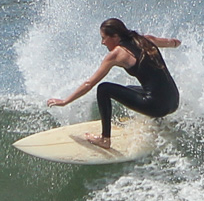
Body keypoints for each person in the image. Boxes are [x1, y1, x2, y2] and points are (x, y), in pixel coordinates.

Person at [47, 19, 180, 147]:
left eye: (104, 38)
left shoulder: (117, 54)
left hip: (157, 106)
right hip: (174, 101)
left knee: (104, 89)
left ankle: (105, 140)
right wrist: (176, 43)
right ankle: (158, 121)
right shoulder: (145, 40)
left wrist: (65, 101)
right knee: (129, 89)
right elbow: (173, 43)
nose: (102, 42)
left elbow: (89, 84)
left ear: (115, 36)